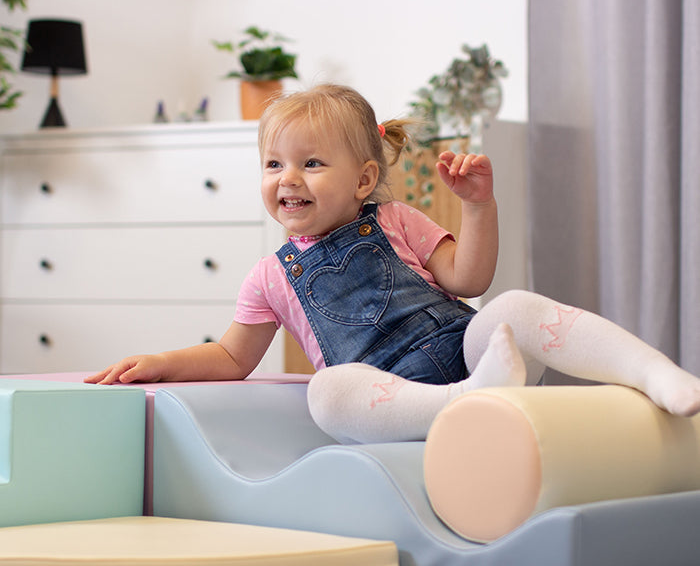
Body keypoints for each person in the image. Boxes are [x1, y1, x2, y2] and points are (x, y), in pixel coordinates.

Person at [85, 84, 700, 443]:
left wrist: (478, 208)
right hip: (396, 399)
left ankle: (655, 374)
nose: (287, 180)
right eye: (273, 165)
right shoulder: (270, 276)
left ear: (365, 180)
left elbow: (469, 281)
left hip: (473, 350)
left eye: (312, 164)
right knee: (326, 392)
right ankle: (464, 402)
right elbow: (230, 357)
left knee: (511, 305)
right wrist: (162, 362)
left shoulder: (395, 219)